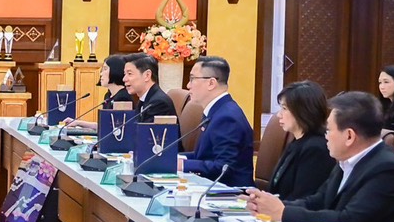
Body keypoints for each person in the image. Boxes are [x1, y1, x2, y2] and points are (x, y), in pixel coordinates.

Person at [245, 90, 394, 222]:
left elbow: (348, 221)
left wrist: (284, 213)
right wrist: (270, 205)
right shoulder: (346, 161)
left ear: (349, 136)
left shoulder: (386, 169)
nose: (326, 136)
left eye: (329, 130)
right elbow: (318, 201)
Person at [180, 56, 254, 187]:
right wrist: (175, 159)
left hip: (232, 193)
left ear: (211, 83)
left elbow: (224, 167)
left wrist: (183, 165)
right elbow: (204, 156)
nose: (188, 85)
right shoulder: (217, 110)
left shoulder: (227, 117)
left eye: (192, 79)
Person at [260, 80, 333, 201]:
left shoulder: (316, 149)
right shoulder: (296, 142)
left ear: (303, 111)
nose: (279, 115)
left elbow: (303, 196)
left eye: (284, 108)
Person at [122, 53, 175, 121]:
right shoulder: (144, 99)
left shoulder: (159, 104)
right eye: (125, 74)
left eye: (129, 74)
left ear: (147, 75)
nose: (124, 79)